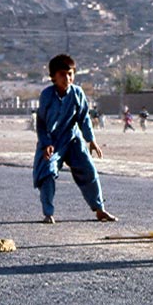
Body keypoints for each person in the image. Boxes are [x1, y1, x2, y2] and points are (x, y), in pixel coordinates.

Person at [32, 54, 117, 224]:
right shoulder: (47, 95)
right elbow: (41, 122)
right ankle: (48, 213)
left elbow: (83, 118)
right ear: (53, 77)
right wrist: (46, 143)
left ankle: (99, 209)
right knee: (47, 173)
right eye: (62, 74)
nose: (67, 78)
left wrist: (90, 140)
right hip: (52, 142)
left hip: (73, 139)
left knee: (89, 170)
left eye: (70, 74)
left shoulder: (77, 93)